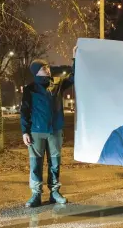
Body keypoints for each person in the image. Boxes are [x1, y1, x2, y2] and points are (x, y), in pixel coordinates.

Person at [20, 46, 77, 207]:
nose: (47, 69)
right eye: (44, 68)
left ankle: (54, 192)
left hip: (55, 131)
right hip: (36, 133)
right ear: (37, 72)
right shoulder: (30, 89)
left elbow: (75, 77)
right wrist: (25, 131)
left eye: (47, 66)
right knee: (36, 164)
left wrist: (75, 58)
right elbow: (24, 111)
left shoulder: (57, 84)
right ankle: (36, 195)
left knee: (55, 163)